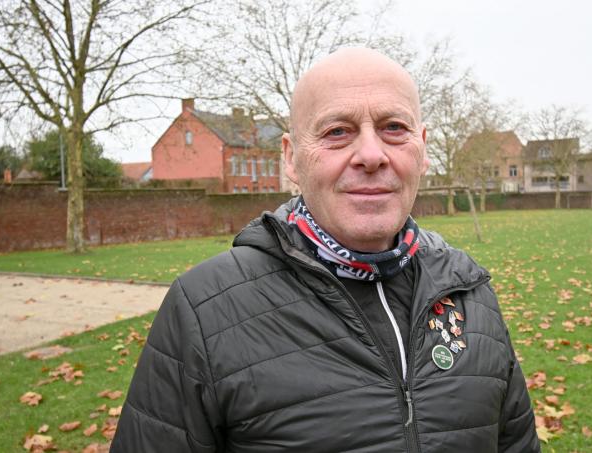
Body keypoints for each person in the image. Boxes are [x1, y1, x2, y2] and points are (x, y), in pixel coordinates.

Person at [111, 48, 540, 452]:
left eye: (394, 128)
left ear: (422, 148)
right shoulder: (204, 310)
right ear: (291, 158)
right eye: (337, 132)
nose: (371, 155)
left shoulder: (469, 293)